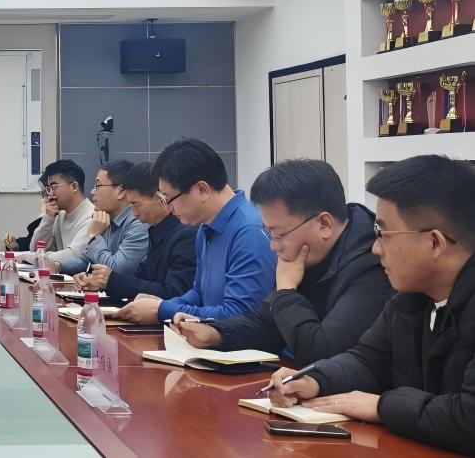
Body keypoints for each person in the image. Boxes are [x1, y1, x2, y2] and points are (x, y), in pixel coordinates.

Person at [268, 155, 475, 455]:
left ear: (435, 243)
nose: (376, 248)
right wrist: (313, 380)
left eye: (384, 234)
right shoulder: (410, 298)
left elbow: (468, 419)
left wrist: (381, 406)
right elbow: (368, 360)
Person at [173, 159, 391, 366]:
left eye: (278, 234)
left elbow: (323, 353)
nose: (273, 245)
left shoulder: (371, 265)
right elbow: (266, 322)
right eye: (269, 233)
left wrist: (286, 291)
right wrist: (216, 333)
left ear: (324, 224)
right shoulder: (304, 255)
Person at [114, 138, 275, 324]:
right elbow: (199, 294)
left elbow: (239, 316)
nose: (169, 207)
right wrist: (162, 305)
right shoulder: (205, 228)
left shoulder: (249, 231)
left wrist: (162, 310)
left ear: (202, 190)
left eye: (168, 198)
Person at [73, 162, 196, 300]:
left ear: (161, 198)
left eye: (136, 204)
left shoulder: (185, 236)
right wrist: (99, 281)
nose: (134, 213)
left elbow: (174, 293)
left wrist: (111, 280)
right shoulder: (157, 230)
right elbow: (139, 277)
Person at [56, 160, 148, 276]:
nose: (92, 192)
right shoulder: (105, 219)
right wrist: (58, 265)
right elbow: (87, 260)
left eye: (98, 186)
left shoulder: (138, 225)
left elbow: (115, 271)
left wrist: (94, 236)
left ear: (121, 191)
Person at [11, 159, 95, 267]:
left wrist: (28, 257)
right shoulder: (61, 214)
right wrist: (48, 218)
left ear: (73, 187)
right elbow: (36, 249)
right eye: (48, 188)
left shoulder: (91, 216)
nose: (50, 194)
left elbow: (73, 255)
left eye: (53, 187)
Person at [3, 163, 62, 252]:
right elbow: (33, 241)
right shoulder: (51, 215)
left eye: (47, 192)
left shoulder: (61, 215)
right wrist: (16, 245)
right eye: (43, 193)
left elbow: (38, 248)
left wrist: (45, 215)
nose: (44, 199)